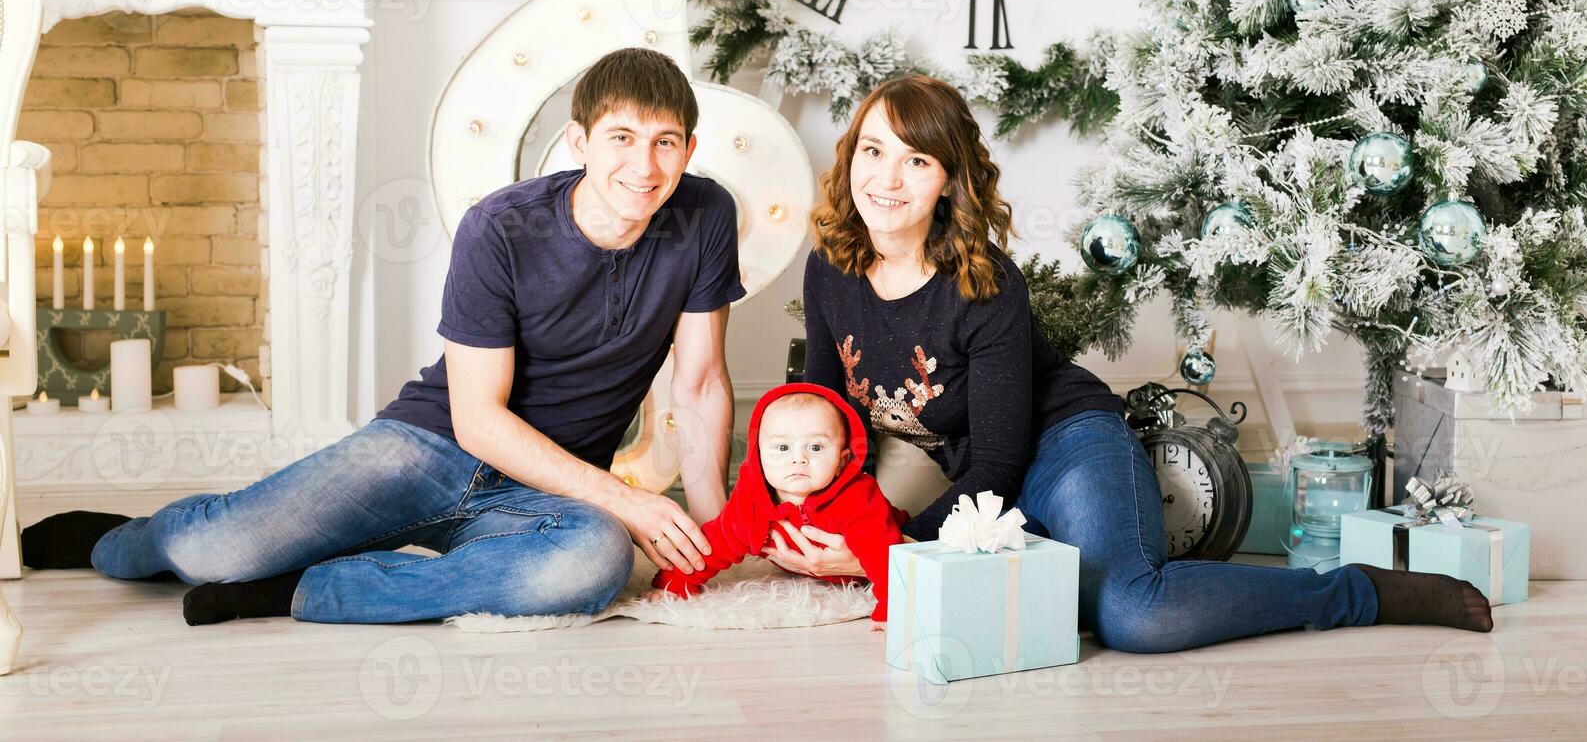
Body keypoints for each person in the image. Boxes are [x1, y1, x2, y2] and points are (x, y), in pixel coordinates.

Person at [21, 48, 745, 626]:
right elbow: (478, 418)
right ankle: (118, 540)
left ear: (687, 148)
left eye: (664, 143)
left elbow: (701, 383)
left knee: (588, 564)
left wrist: (722, 536)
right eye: (621, 138)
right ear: (578, 140)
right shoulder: (500, 226)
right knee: (216, 548)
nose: (644, 167)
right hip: (425, 448)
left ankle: (304, 591)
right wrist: (629, 500)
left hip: (543, 490)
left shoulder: (704, 214)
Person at [771, 73, 1492, 653]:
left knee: (1132, 617)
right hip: (985, 491)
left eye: (915, 160)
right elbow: (829, 419)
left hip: (1064, 446)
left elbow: (996, 460)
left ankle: (1357, 592)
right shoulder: (831, 266)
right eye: (872, 151)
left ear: (948, 181)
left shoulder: (984, 285)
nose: (886, 179)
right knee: (1058, 604)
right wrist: (811, 521)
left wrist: (890, 550)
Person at [651, 383, 907, 623]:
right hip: (808, 567)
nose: (798, 458)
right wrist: (673, 583)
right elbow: (717, 542)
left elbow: (885, 554)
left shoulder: (857, 497)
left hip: (890, 540)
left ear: (841, 461)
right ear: (758, 456)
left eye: (816, 447)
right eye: (782, 447)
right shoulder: (752, 500)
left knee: (911, 548)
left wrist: (891, 610)